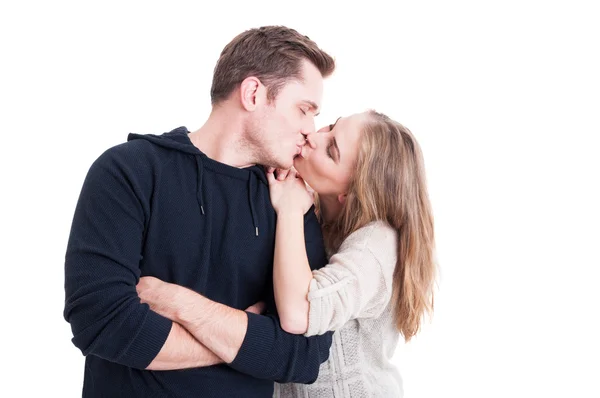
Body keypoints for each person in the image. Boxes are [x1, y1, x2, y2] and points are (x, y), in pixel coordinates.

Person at [63, 25, 336, 397]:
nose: (311, 131)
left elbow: (305, 356)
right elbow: (100, 320)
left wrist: (183, 307)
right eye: (304, 110)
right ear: (253, 93)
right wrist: (245, 336)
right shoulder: (130, 171)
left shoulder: (290, 203)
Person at [137, 110, 437, 397]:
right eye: (331, 126)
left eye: (331, 151)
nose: (314, 137)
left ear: (350, 193)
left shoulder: (377, 244)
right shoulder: (314, 212)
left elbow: (298, 315)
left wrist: (290, 210)